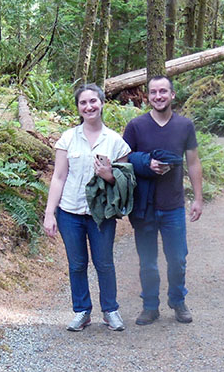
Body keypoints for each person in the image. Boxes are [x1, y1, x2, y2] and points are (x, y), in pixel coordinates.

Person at [43, 84, 131, 332]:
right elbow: (58, 177)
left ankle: (110, 310)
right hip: (69, 211)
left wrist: (109, 175)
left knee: (104, 263)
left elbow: (124, 182)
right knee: (77, 264)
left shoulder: (115, 141)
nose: (89, 106)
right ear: (78, 108)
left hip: (101, 214)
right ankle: (82, 311)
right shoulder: (68, 138)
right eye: (83, 103)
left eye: (93, 101)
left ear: (102, 103)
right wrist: (50, 213)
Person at [123, 75, 203, 325]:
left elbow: (193, 162)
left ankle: (178, 301)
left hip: (173, 206)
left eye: (163, 92)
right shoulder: (135, 126)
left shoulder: (184, 126)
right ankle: (150, 306)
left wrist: (198, 198)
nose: (158, 96)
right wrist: (147, 163)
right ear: (147, 96)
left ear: (172, 95)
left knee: (178, 258)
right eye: (153, 92)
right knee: (147, 261)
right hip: (143, 206)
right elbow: (123, 161)